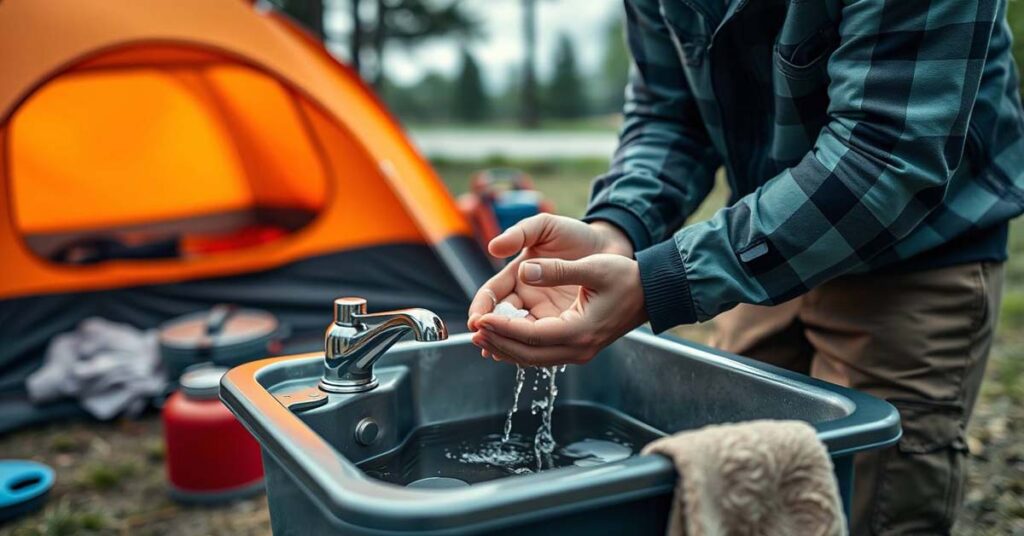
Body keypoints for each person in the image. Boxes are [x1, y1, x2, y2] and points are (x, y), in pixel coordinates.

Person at [466, 0, 1024, 534]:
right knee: (734, 479)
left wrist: (663, 282)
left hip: (919, 252)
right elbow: (667, 111)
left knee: (878, 502)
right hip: (763, 250)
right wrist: (615, 231)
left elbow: (885, 153)